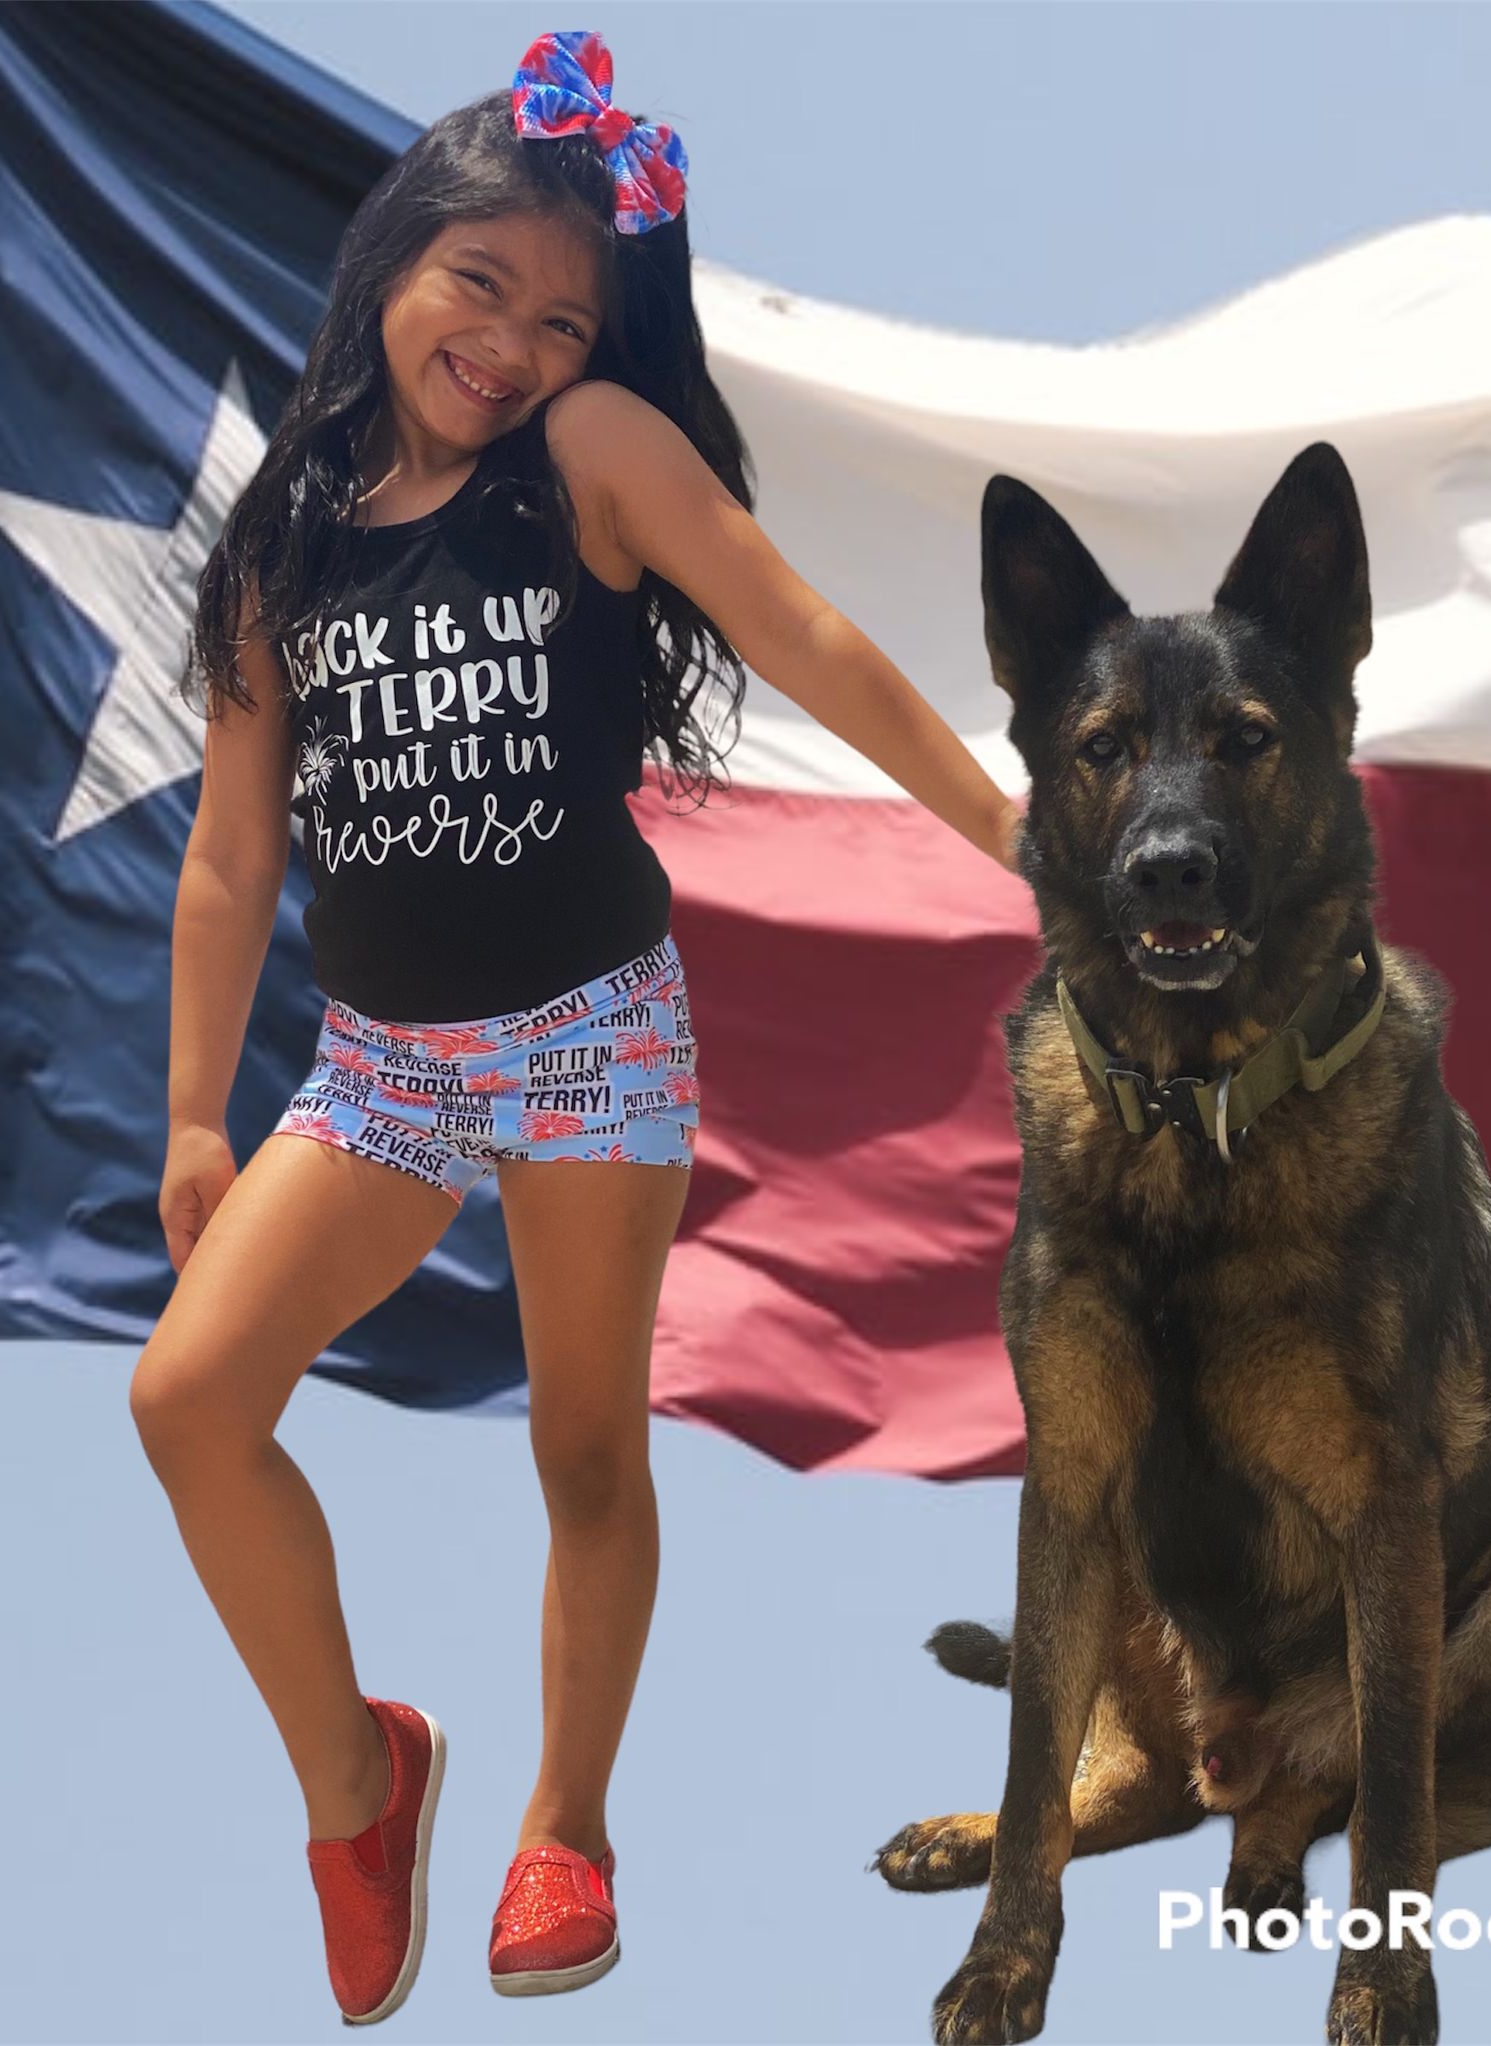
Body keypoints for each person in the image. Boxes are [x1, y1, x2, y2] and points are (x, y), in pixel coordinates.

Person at [132, 27, 1023, 2027]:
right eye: (484, 285)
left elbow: (791, 625)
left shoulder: (593, 455)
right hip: (380, 1067)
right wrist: (196, 1119)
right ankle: (361, 1791)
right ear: (393, 266)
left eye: (562, 315)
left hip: (586, 1033)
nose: (517, 341)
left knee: (586, 1446)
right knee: (187, 1404)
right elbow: (229, 853)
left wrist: (998, 822)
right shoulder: (283, 532)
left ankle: (567, 1826)